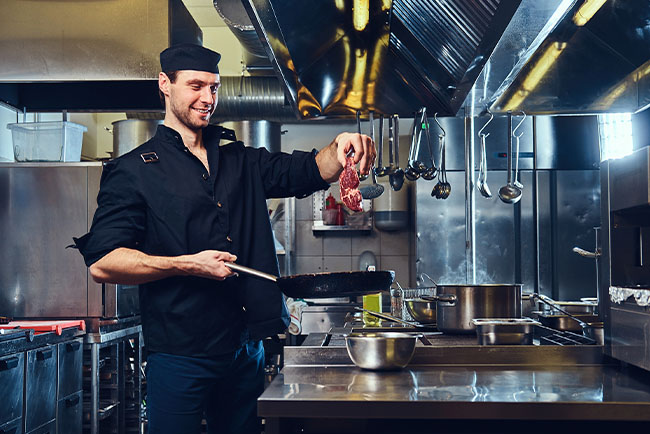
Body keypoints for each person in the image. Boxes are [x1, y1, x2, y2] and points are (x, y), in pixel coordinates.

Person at [73, 43, 375, 434]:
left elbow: (306, 170)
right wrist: (187, 264)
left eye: (213, 88)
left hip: (244, 349)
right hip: (179, 354)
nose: (207, 98)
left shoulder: (240, 160)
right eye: (196, 86)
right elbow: (103, 262)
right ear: (165, 84)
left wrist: (340, 148)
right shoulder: (133, 171)